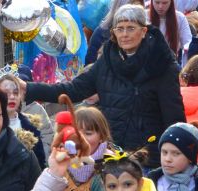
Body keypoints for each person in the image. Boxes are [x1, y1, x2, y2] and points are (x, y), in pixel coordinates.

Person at [21, 4, 186, 168]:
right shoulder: (107, 60)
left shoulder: (162, 65)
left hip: (148, 159)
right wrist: (28, 89)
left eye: (130, 28)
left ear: (143, 31)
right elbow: (73, 89)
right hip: (110, 155)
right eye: (119, 29)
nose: (125, 34)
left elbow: (173, 115)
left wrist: (178, 154)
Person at [0, 73, 47, 168]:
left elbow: (40, 161)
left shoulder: (31, 124)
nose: (12, 97)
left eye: (15, 93)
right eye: (5, 93)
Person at [85, 0, 145, 65]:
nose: (125, 34)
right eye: (120, 29)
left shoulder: (150, 37)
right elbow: (90, 66)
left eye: (138, 8)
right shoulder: (101, 34)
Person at [17, 64, 55, 159]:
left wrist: (40, 158)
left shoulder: (37, 109)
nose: (18, 91)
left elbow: (47, 136)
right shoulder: (0, 107)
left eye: (22, 86)